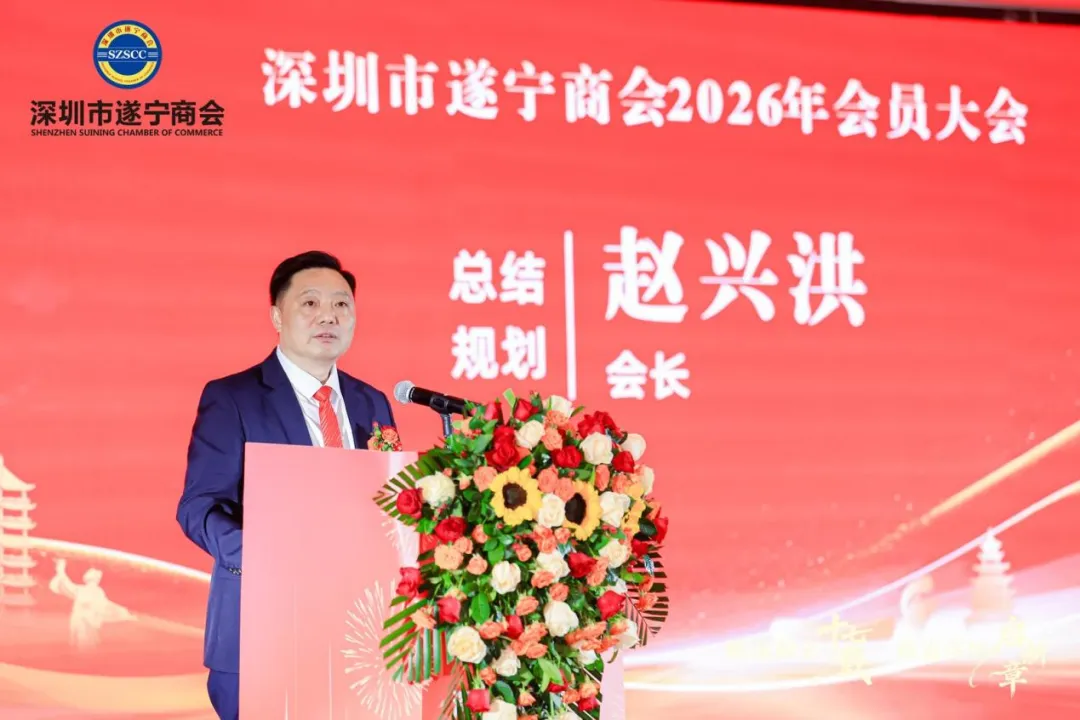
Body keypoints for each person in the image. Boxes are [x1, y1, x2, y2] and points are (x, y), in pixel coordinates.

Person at [176, 251, 396, 720]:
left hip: (359, 633)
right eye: (310, 303)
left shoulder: (371, 402)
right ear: (277, 316)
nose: (328, 317)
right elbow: (198, 507)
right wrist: (270, 559)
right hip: (264, 625)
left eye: (341, 305)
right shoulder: (233, 397)